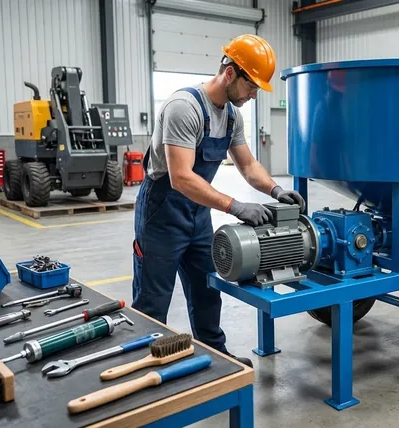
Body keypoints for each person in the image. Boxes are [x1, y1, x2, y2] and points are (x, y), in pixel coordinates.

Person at [131, 34, 306, 367]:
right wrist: (235, 206)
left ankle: (215, 356)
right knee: (153, 300)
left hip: (198, 216)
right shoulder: (184, 108)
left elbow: (248, 165)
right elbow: (180, 176)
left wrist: (274, 190)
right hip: (161, 215)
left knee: (207, 291)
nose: (254, 95)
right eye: (251, 86)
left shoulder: (231, 117)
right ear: (230, 73)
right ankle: (142, 367)